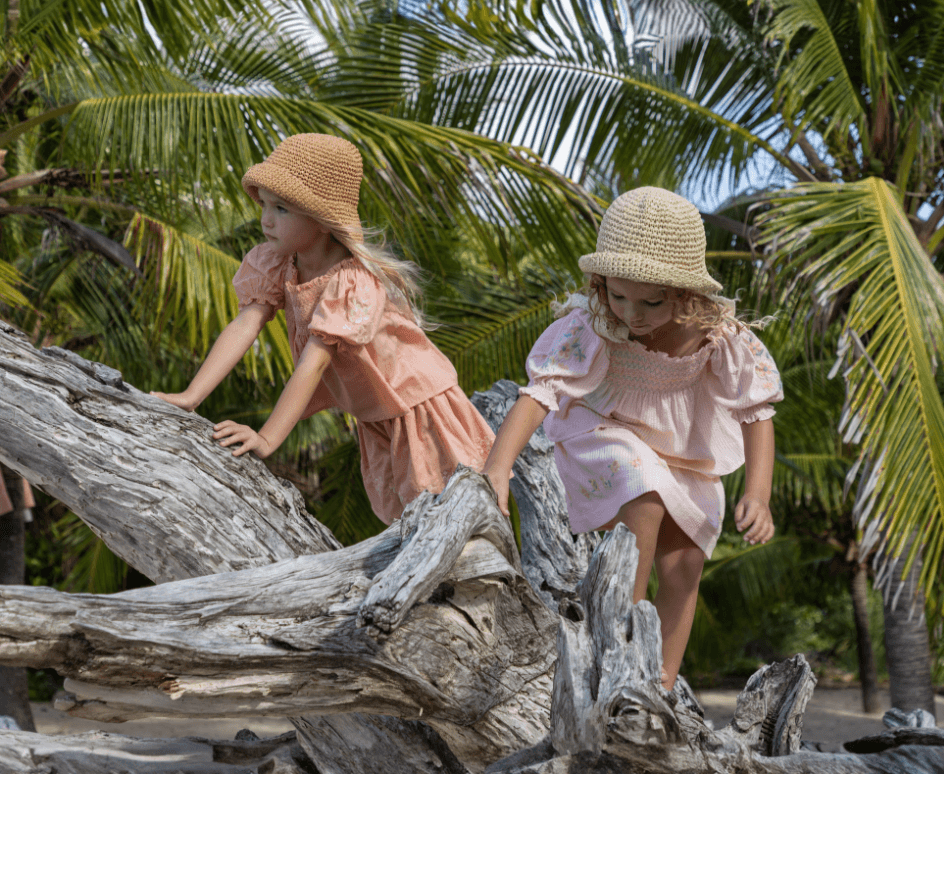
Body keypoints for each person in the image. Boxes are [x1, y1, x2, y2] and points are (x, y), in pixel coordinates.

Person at [483, 187, 782, 690]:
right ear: (602, 284)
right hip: (605, 432)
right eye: (618, 295)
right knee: (640, 489)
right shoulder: (597, 323)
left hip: (686, 457)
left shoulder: (716, 335)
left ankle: (656, 687)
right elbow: (542, 391)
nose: (632, 314)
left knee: (687, 563)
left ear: (687, 295)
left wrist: (759, 494)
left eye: (650, 302)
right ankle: (619, 634)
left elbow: (756, 412)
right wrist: (498, 467)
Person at [152, 132, 496, 524]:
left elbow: (312, 366)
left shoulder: (351, 281)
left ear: (322, 220)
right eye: (264, 204)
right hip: (376, 417)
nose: (265, 219)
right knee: (410, 526)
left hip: (419, 409)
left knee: (456, 526)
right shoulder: (278, 261)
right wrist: (191, 395)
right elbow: (244, 326)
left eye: (281, 208)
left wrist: (267, 439)